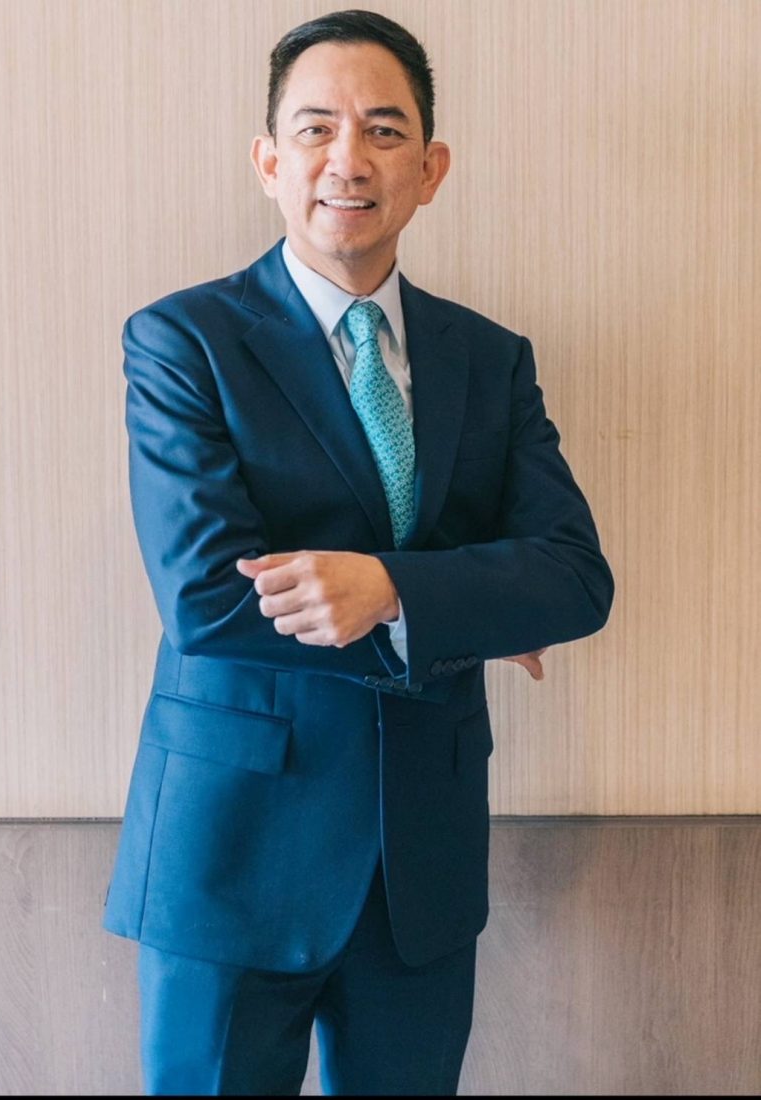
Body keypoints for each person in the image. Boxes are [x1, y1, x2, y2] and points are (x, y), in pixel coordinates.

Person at [103, 9, 614, 1095]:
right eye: (316, 128)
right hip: (230, 852)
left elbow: (574, 575)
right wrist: (461, 615)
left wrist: (391, 589)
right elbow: (208, 601)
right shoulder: (183, 341)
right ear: (268, 161)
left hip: (419, 860)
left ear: (430, 169)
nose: (348, 158)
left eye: (384, 130)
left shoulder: (490, 359)